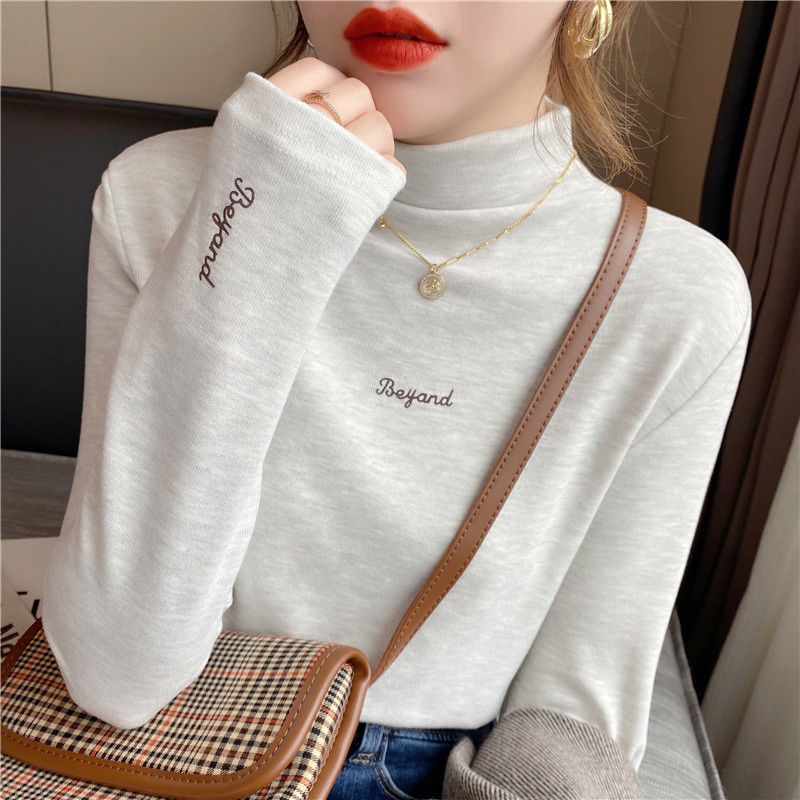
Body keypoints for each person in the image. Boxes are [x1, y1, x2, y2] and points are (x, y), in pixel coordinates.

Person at [39, 1, 752, 798]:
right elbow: (116, 671)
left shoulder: (674, 295)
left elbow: (572, 725)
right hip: (155, 752)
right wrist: (259, 226)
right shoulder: (163, 194)